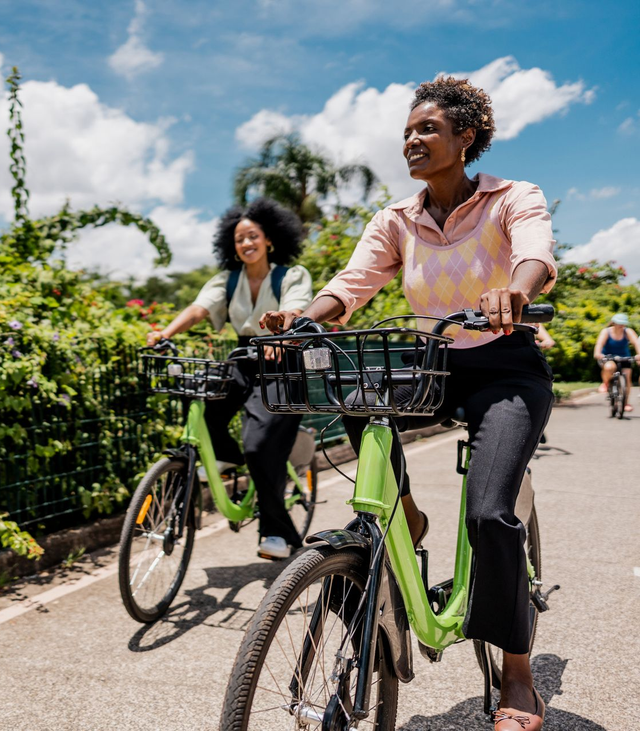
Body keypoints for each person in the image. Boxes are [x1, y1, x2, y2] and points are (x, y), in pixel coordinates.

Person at [261, 77, 556, 729]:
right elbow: (354, 280)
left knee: (489, 513)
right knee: (358, 389)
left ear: (465, 137)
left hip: (508, 365)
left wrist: (514, 289)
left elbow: (534, 250)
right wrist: (306, 318)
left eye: (426, 129)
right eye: (406, 132)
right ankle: (405, 519)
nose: (412, 141)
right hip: (435, 365)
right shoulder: (398, 219)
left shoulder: (514, 197)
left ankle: (516, 673)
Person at [147, 198, 313, 560]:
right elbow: (198, 308)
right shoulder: (228, 280)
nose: (246, 243)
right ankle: (230, 460)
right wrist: (165, 333)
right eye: (239, 239)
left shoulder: (291, 275)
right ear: (231, 245)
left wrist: (280, 328)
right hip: (243, 357)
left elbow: (297, 308)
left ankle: (277, 531)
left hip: (282, 358)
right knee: (207, 414)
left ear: (269, 239)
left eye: (252, 236)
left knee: (258, 446)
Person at [593, 313, 640, 411]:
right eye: (619, 323)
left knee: (627, 377)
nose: (621, 326)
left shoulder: (628, 332)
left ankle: (626, 403)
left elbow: (636, 343)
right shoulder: (606, 332)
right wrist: (598, 353)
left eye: (623, 324)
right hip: (608, 357)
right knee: (609, 367)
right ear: (614, 323)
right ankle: (606, 383)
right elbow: (599, 344)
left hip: (624, 357)